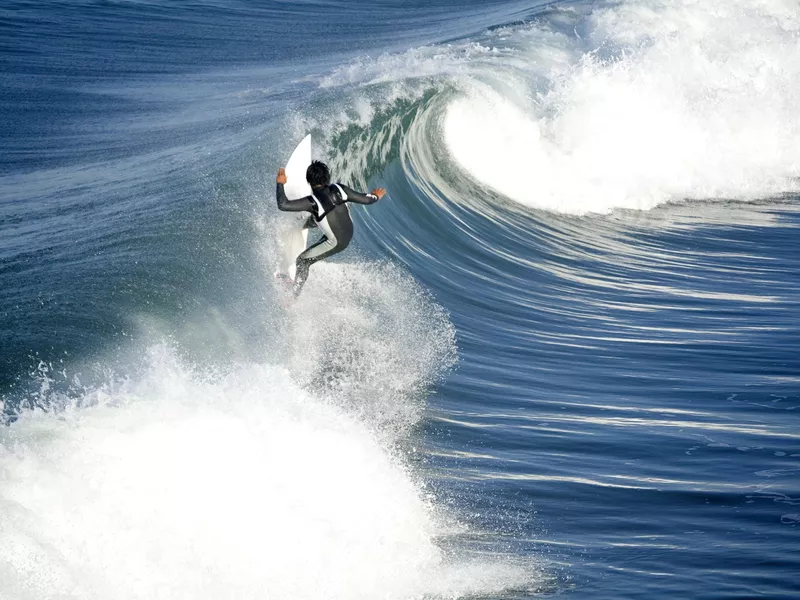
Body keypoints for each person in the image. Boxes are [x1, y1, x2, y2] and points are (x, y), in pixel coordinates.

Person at [276, 160, 386, 295]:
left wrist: (280, 183)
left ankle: (294, 294)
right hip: (348, 231)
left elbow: (283, 205)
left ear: (308, 181)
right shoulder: (340, 189)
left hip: (336, 242)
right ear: (327, 178)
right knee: (318, 216)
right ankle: (305, 224)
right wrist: (375, 196)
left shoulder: (312, 202)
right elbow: (368, 200)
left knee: (302, 261)